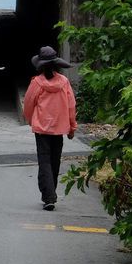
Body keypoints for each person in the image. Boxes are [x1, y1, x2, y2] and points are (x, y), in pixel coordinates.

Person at [22, 46, 77, 211]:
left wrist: (32, 121)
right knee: (54, 161)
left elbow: (28, 105)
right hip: (59, 129)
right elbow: (71, 106)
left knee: (44, 161)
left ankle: (49, 196)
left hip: (42, 129)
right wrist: (72, 126)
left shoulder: (36, 82)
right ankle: (49, 194)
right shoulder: (64, 82)